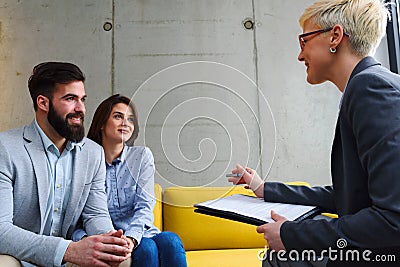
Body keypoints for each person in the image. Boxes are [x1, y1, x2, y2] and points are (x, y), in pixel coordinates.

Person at [229, 0, 400, 266]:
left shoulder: (371, 90)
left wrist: (292, 235)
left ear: (335, 36)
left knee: (280, 257)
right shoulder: (365, 87)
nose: (300, 55)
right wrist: (266, 189)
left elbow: (393, 218)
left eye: (304, 41)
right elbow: (349, 195)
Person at [0, 62, 132, 267]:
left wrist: (110, 240)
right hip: (20, 257)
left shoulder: (93, 152)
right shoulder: (6, 148)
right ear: (43, 103)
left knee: (117, 260)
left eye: (82, 99)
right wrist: (68, 250)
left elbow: (95, 214)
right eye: (70, 99)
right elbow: (1, 231)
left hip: (69, 258)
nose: (81, 109)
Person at [73, 94, 187, 267]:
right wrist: (87, 239)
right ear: (102, 123)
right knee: (147, 249)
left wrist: (131, 238)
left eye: (131, 119)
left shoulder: (141, 156)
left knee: (170, 240)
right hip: (103, 237)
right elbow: (77, 215)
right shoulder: (84, 159)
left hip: (140, 233)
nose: (125, 123)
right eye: (118, 116)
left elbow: (145, 206)